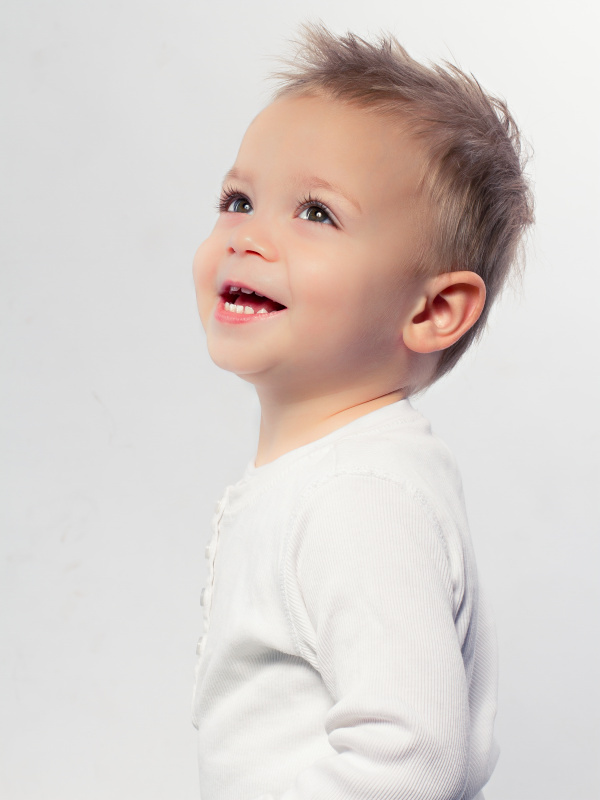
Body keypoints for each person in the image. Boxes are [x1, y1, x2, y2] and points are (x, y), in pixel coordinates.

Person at [190, 22, 533, 800]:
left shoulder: (358, 497)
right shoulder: (330, 475)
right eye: (238, 200)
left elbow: (412, 751)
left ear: (433, 310)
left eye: (316, 213)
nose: (248, 236)